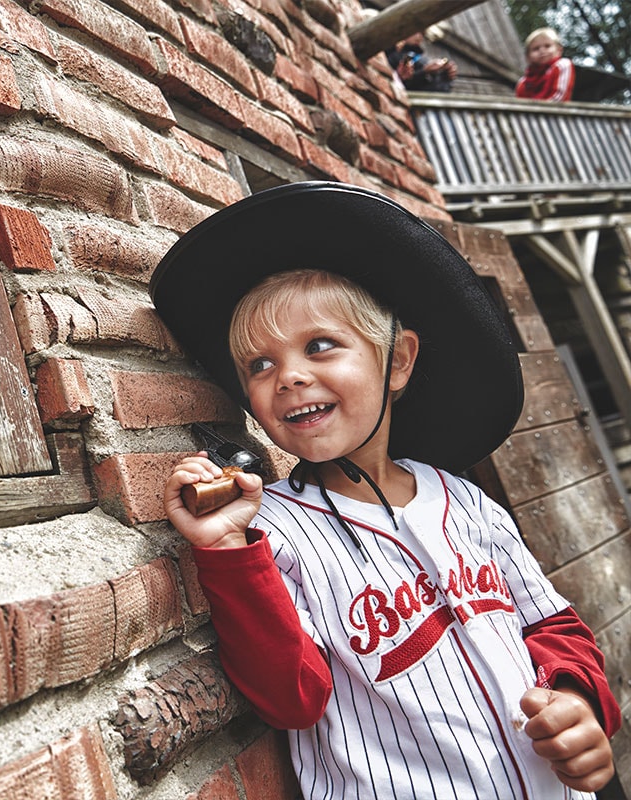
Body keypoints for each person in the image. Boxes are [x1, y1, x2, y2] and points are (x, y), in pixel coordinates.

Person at [149, 182, 619, 798]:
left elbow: (552, 624)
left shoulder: (467, 502)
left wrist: (579, 700)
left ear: (397, 362)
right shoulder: (271, 530)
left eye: (319, 346)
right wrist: (225, 552)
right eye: (259, 365)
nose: (288, 376)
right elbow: (291, 699)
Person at [386, 29, 456, 92]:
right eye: (414, 32)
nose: (418, 37)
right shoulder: (395, 56)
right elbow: (402, 84)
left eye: (422, 33)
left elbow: (440, 90)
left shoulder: (424, 58)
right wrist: (424, 71)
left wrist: (446, 76)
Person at [517, 27, 575, 102]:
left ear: (559, 50)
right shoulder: (523, 82)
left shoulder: (562, 65)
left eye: (547, 46)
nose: (542, 50)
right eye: (536, 48)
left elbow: (559, 98)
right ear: (528, 57)